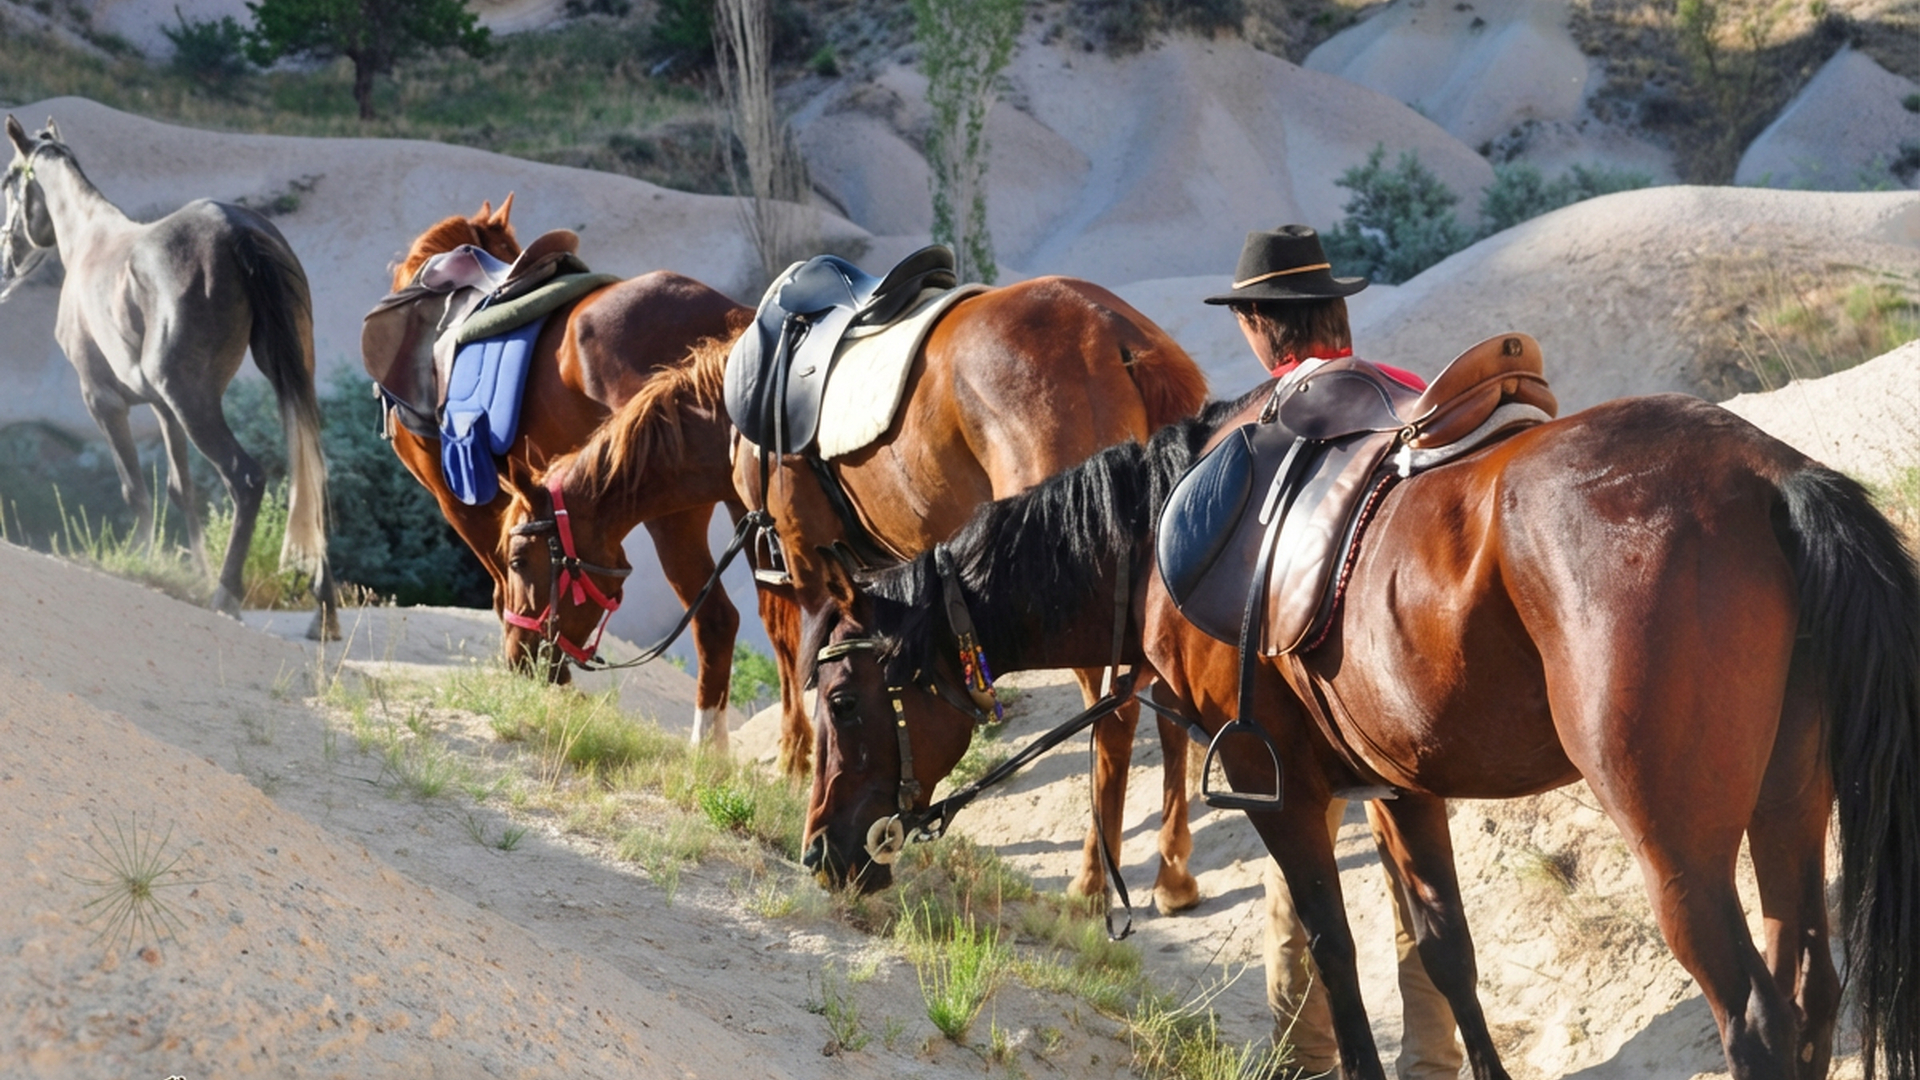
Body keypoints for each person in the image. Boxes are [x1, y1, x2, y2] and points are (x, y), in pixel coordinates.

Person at [1204, 224, 1464, 1080]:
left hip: (1307, 687)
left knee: (1296, 877)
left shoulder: (1263, 426)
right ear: (1333, 314)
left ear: (1256, 323)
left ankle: (1303, 1059)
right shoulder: (1409, 394)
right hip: (1413, 672)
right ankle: (1434, 1058)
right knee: (1419, 872)